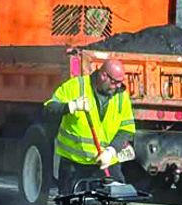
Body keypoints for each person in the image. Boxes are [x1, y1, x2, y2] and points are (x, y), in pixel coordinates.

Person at [44, 57, 135, 193]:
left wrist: (111, 151)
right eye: (114, 82)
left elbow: (126, 130)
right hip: (74, 165)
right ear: (103, 75)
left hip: (106, 164)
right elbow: (49, 108)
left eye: (120, 83)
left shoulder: (121, 96)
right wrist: (71, 106)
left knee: (116, 202)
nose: (117, 87)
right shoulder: (76, 87)